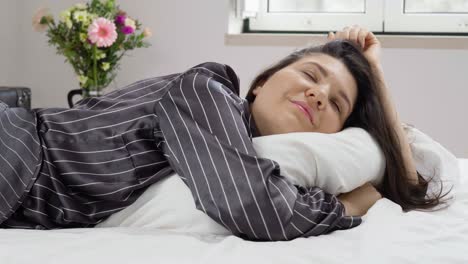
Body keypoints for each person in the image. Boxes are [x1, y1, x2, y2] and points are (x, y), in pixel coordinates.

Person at [0, 26, 450, 241]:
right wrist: (347, 205)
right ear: (260, 84)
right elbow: (254, 206)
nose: (318, 95)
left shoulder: (244, 148)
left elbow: (407, 187)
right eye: (311, 75)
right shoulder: (206, 89)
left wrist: (376, 73)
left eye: (336, 104)